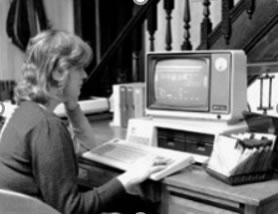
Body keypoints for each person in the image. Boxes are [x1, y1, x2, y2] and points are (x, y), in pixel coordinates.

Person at [0, 30, 167, 214]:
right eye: (79, 68)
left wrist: (72, 106)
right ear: (58, 72)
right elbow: (72, 209)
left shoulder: (25, 112)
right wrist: (131, 176)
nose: (85, 75)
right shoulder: (47, 126)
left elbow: (88, 148)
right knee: (144, 207)